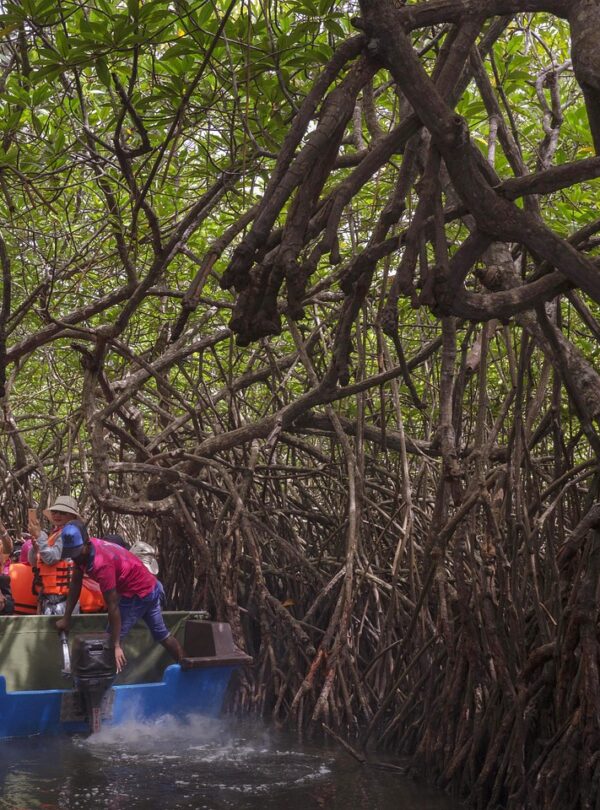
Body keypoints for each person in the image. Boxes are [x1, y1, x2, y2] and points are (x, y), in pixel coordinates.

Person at [56, 533, 185, 673]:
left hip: (137, 593)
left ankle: (106, 688)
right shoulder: (83, 551)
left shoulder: (102, 565)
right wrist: (66, 618)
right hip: (150, 587)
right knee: (162, 635)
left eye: (76, 552)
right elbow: (75, 582)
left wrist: (116, 644)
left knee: (108, 643)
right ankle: (186, 663)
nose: (74, 557)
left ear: (86, 546)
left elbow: (113, 606)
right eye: (71, 553)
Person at [28, 495, 86, 615]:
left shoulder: (69, 535)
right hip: (48, 596)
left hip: (63, 599)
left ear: (72, 516)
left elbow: (51, 558)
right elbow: (34, 562)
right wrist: (35, 549)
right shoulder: (54, 534)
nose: (57, 515)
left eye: (62, 513)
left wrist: (40, 536)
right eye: (55, 512)